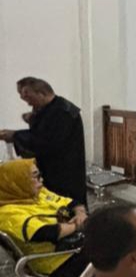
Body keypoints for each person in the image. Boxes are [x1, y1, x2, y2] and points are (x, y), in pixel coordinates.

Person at [0, 159, 87, 277]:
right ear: (17, 182)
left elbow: (71, 202)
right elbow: (46, 233)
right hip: (51, 260)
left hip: (66, 246)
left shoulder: (36, 194)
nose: (41, 180)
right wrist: (79, 225)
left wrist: (80, 213)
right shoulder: (8, 212)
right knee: (107, 252)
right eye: (35, 176)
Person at [0, 78, 88, 208]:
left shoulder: (64, 112)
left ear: (41, 94)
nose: (28, 103)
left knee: (67, 205)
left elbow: (47, 142)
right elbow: (42, 131)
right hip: (50, 168)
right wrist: (33, 119)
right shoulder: (49, 108)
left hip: (64, 171)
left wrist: (15, 136)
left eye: (28, 98)